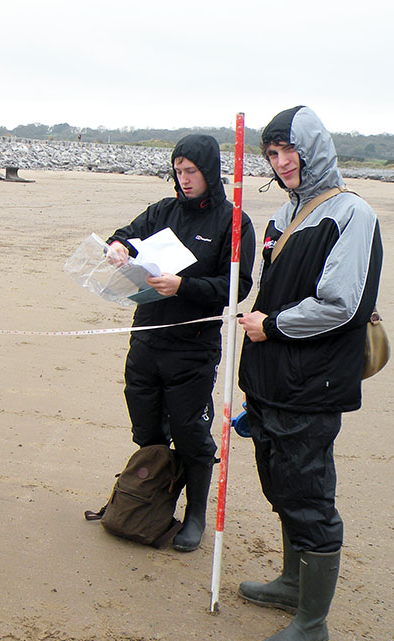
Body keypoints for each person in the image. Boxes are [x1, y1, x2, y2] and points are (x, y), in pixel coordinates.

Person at [237, 106, 383, 641]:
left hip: (312, 386)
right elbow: (270, 288)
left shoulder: (351, 214)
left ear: (313, 147)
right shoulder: (283, 215)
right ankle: (291, 583)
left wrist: (271, 325)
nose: (280, 162)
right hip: (270, 383)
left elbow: (339, 304)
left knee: (309, 496)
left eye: (287, 150)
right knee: (280, 486)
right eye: (271, 155)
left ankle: (313, 624)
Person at [106, 134, 255, 552]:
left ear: (209, 172)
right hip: (148, 337)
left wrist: (182, 286)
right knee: (146, 427)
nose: (184, 179)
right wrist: (118, 247)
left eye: (191, 171)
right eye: (178, 171)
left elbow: (236, 285)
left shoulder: (233, 221)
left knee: (191, 434)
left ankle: (195, 515)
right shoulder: (162, 211)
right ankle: (153, 500)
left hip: (193, 347)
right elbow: (127, 234)